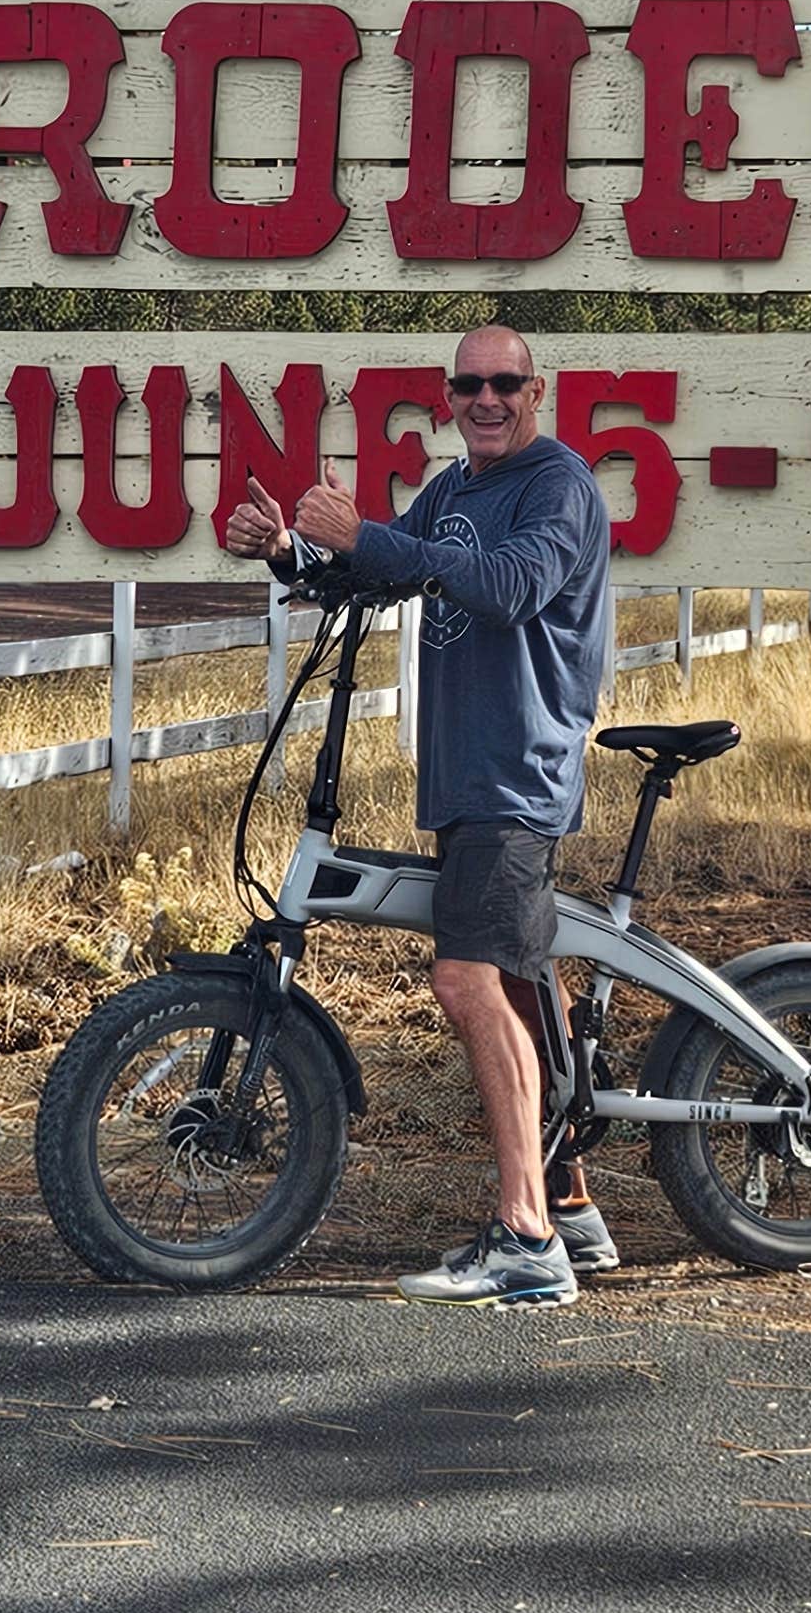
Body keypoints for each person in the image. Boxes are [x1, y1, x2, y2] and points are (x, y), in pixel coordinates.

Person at [220, 319, 614, 1306]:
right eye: (467, 384)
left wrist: (368, 533)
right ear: (450, 395)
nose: (485, 399)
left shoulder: (557, 485)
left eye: (504, 384)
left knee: (468, 977)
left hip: (517, 772)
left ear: (537, 390)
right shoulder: (454, 489)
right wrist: (290, 552)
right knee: (522, 987)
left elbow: (514, 585)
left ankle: (525, 1236)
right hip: (467, 775)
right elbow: (380, 572)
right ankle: (569, 1205)